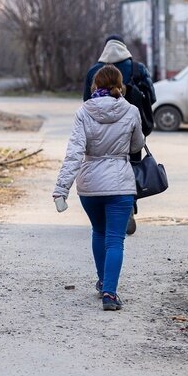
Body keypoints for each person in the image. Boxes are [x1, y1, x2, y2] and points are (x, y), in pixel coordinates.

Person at [54, 65, 145, 311]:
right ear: (120, 84)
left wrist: (61, 189)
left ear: (95, 85)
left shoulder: (84, 111)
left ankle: (103, 280)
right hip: (120, 183)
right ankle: (110, 293)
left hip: (90, 184)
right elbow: (137, 144)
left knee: (99, 232)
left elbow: (74, 153)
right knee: (115, 240)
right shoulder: (131, 110)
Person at [83, 35, 154, 235]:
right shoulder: (138, 69)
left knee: (103, 168)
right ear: (124, 47)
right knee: (130, 169)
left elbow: (86, 103)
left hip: (101, 136)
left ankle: (106, 212)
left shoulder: (93, 71)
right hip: (132, 129)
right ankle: (129, 208)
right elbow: (153, 97)